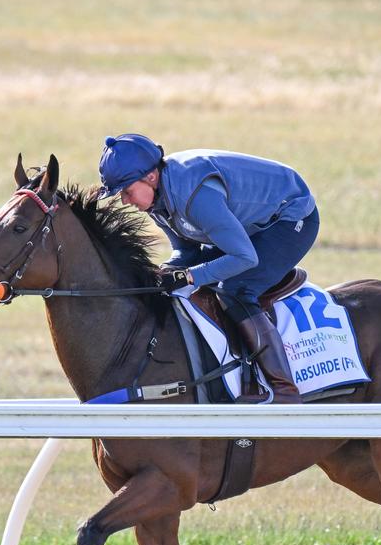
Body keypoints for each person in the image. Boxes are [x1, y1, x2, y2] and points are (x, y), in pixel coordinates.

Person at [97, 133, 318, 404]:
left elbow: (244, 258)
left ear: (151, 177)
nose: (124, 201)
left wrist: (190, 276)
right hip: (249, 227)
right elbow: (187, 252)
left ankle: (283, 389)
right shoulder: (156, 201)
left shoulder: (196, 196)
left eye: (126, 191)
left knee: (235, 288)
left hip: (291, 220)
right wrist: (164, 274)